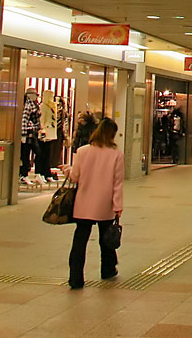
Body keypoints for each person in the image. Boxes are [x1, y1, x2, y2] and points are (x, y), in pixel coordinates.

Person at [67, 118, 123, 289]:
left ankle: (76, 277)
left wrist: (67, 170)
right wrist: (118, 206)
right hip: (104, 204)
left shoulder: (82, 151)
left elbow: (74, 177)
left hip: (83, 203)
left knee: (80, 240)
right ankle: (107, 269)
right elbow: (117, 183)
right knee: (105, 239)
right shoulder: (116, 155)